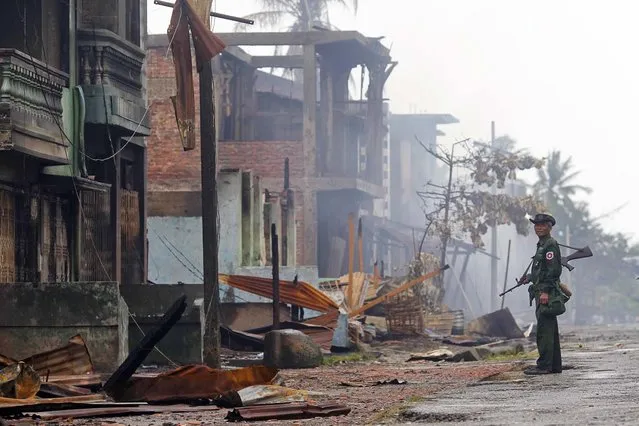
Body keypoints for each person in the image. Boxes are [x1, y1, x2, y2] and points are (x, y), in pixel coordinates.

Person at [520, 213, 563, 375]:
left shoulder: (550, 245)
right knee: (550, 330)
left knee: (544, 330)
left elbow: (553, 271)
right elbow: (542, 270)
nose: (538, 227)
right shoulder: (542, 244)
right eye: (536, 225)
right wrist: (529, 277)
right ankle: (554, 365)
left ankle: (544, 365)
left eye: (542, 225)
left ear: (549, 227)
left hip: (546, 293)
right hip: (541, 291)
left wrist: (545, 291)